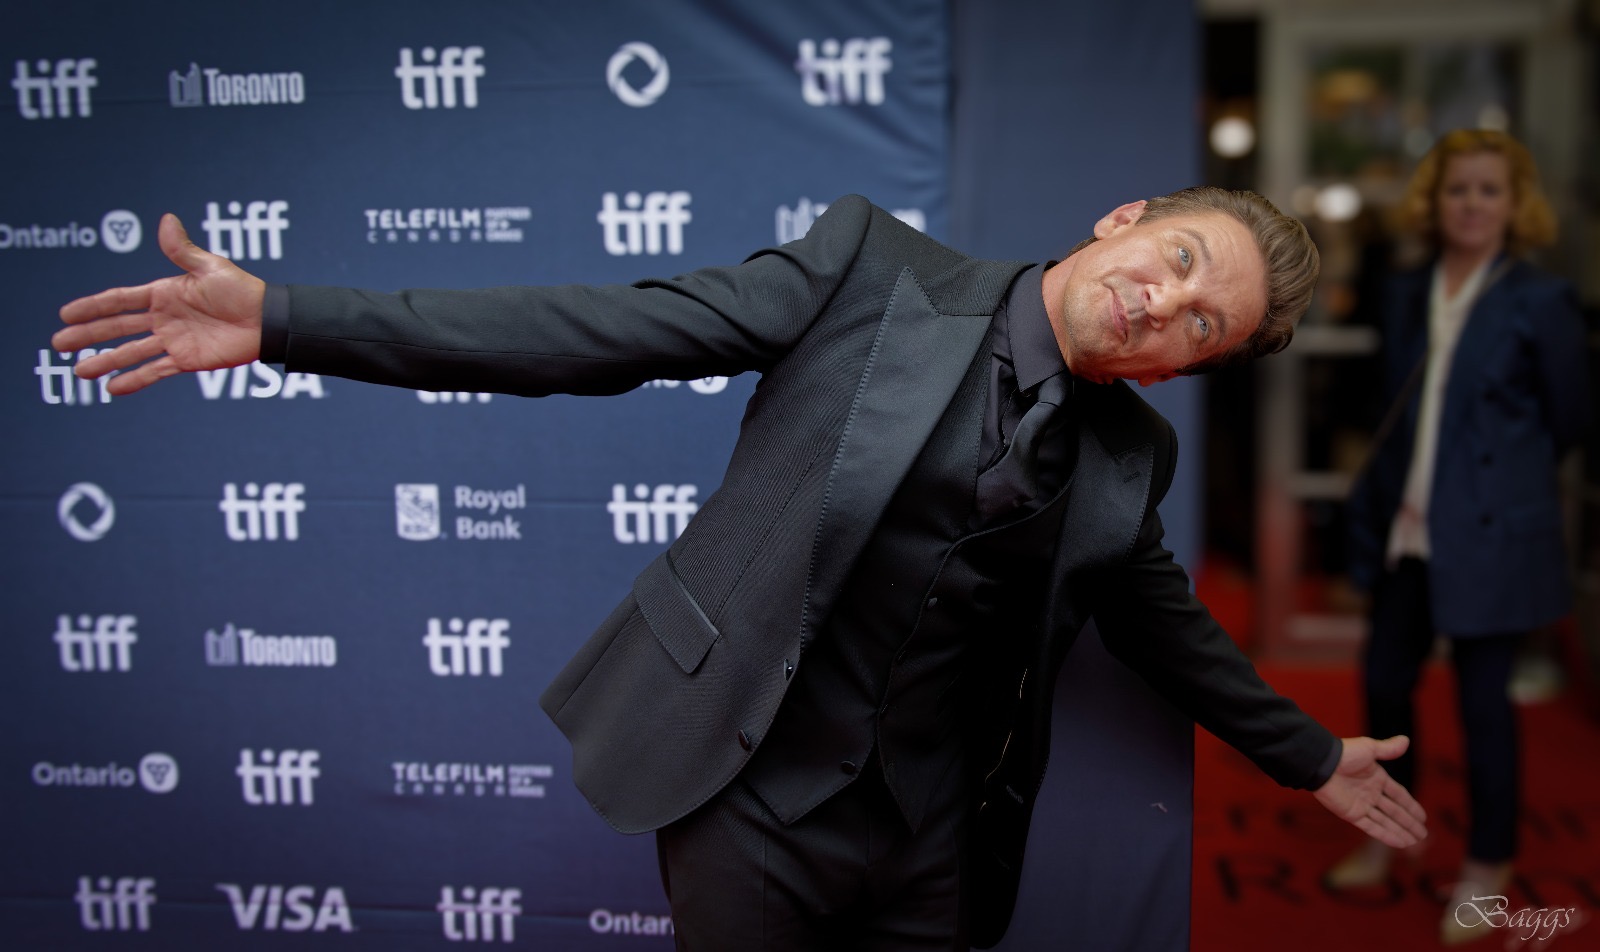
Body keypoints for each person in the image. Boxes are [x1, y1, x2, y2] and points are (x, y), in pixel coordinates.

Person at [55, 187, 1428, 951]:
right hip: (750, 796)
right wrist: (287, 320)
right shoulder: (871, 271)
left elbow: (1160, 622)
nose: (1163, 302)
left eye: (1200, 323)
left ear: (1186, 367)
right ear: (1126, 219)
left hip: (936, 844)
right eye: (1179, 260)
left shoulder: (1131, 455)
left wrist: (1308, 752)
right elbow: (588, 331)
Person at [1336, 131, 1589, 945]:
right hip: (1406, 528)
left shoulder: (1541, 299)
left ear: (1515, 205)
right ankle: (1393, 837)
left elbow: (1571, 418)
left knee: (1484, 708)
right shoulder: (1404, 289)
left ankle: (1488, 866)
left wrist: (1497, 477)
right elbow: (1383, 398)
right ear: (1433, 201)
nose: (1472, 204)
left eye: (1488, 190)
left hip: (1489, 534)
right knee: (1383, 688)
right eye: (1458, 189)